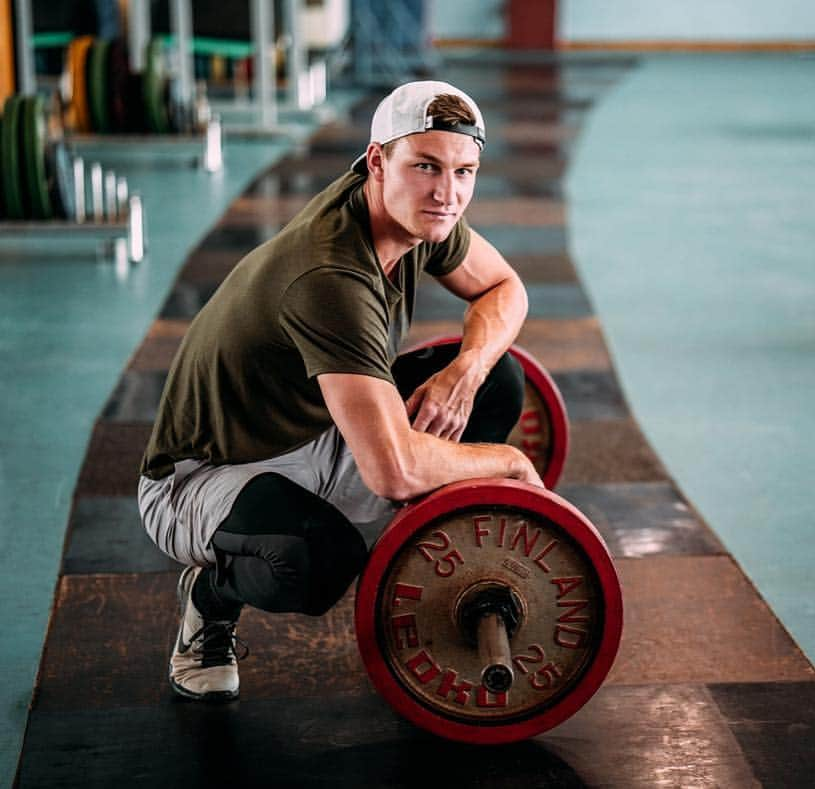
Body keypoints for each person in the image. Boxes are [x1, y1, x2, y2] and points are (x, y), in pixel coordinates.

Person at [137, 81, 542, 702]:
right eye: (426, 167)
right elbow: (393, 472)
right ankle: (208, 601)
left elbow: (504, 289)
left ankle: (401, 532)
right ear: (377, 162)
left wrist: (465, 373)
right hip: (204, 476)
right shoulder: (332, 274)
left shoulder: (416, 216)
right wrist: (508, 461)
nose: (447, 193)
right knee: (310, 562)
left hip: (318, 427)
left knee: (496, 381)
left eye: (465, 172)